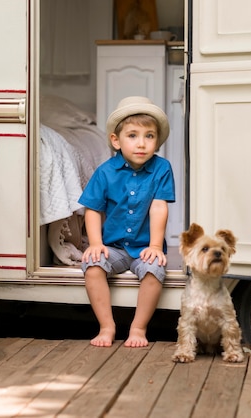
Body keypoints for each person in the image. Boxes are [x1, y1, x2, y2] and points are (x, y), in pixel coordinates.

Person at [79, 96, 175, 348]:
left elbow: (158, 207)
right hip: (114, 247)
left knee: (154, 271)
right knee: (93, 264)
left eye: (149, 136)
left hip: (144, 247)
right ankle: (107, 326)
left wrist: (155, 246)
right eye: (132, 136)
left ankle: (138, 327)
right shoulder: (105, 171)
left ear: (157, 141)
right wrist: (96, 243)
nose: (141, 144)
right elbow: (92, 210)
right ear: (116, 141)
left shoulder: (162, 168)